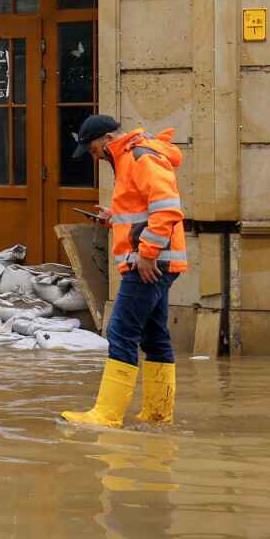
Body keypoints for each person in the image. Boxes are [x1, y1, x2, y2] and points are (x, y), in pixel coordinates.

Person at [62, 115, 186, 427]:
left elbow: (168, 208)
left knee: (120, 331)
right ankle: (158, 414)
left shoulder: (138, 157)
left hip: (147, 264)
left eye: (92, 150)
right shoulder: (133, 157)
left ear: (105, 140)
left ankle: (107, 414)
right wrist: (114, 217)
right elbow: (143, 208)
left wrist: (146, 254)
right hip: (157, 261)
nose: (94, 157)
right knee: (154, 335)